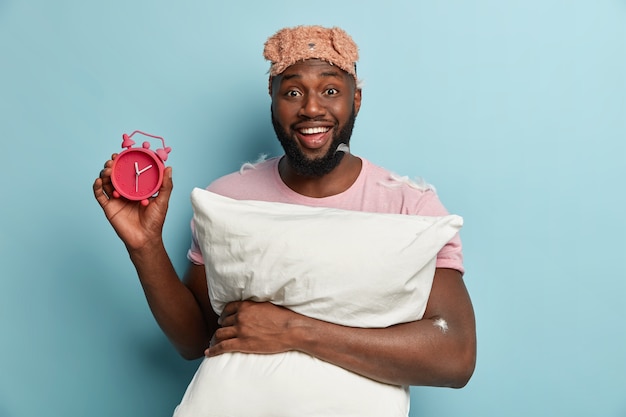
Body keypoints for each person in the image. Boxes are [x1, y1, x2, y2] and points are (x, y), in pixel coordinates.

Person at [94, 25, 476, 416]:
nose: (311, 108)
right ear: (272, 99)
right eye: (293, 92)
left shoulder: (408, 207)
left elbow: (456, 355)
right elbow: (196, 341)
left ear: (356, 99)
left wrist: (295, 331)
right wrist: (145, 247)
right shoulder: (228, 199)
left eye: (331, 90)